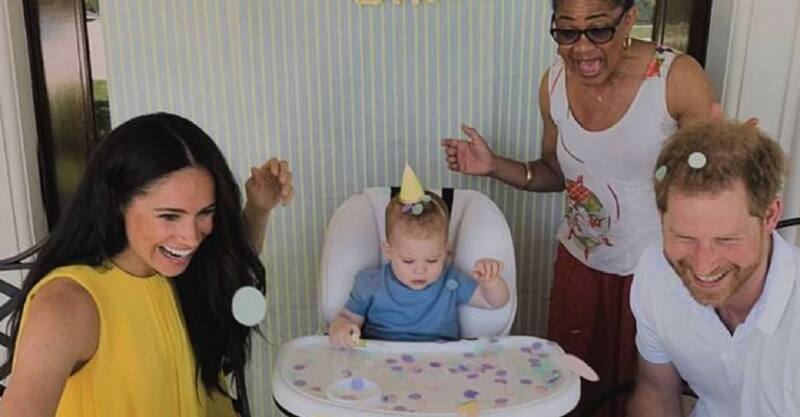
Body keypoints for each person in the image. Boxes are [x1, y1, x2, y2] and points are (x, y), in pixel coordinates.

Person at [440, 0, 715, 414]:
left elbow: (709, 186)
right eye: (567, 31)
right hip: (581, 268)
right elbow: (556, 173)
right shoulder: (552, 84)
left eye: (599, 29)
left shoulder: (676, 79)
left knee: (649, 390)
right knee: (576, 390)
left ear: (629, 20)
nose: (582, 48)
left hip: (657, 273)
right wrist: (493, 165)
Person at [0, 113, 293, 417]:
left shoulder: (176, 266)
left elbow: (231, 261)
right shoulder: (68, 304)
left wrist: (258, 207)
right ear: (117, 203)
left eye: (205, 212)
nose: (191, 237)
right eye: (169, 216)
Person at [628, 120, 799, 417]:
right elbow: (655, 393)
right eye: (684, 237)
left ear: (770, 216)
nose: (702, 264)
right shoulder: (654, 270)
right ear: (661, 216)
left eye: (726, 240)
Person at [328, 167, 509, 347]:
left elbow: (494, 302)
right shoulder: (370, 283)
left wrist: (491, 282)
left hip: (439, 359)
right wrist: (342, 328)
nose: (420, 269)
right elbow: (347, 316)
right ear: (388, 250)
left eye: (432, 260)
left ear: (445, 251)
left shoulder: (451, 282)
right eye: (408, 260)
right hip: (381, 357)